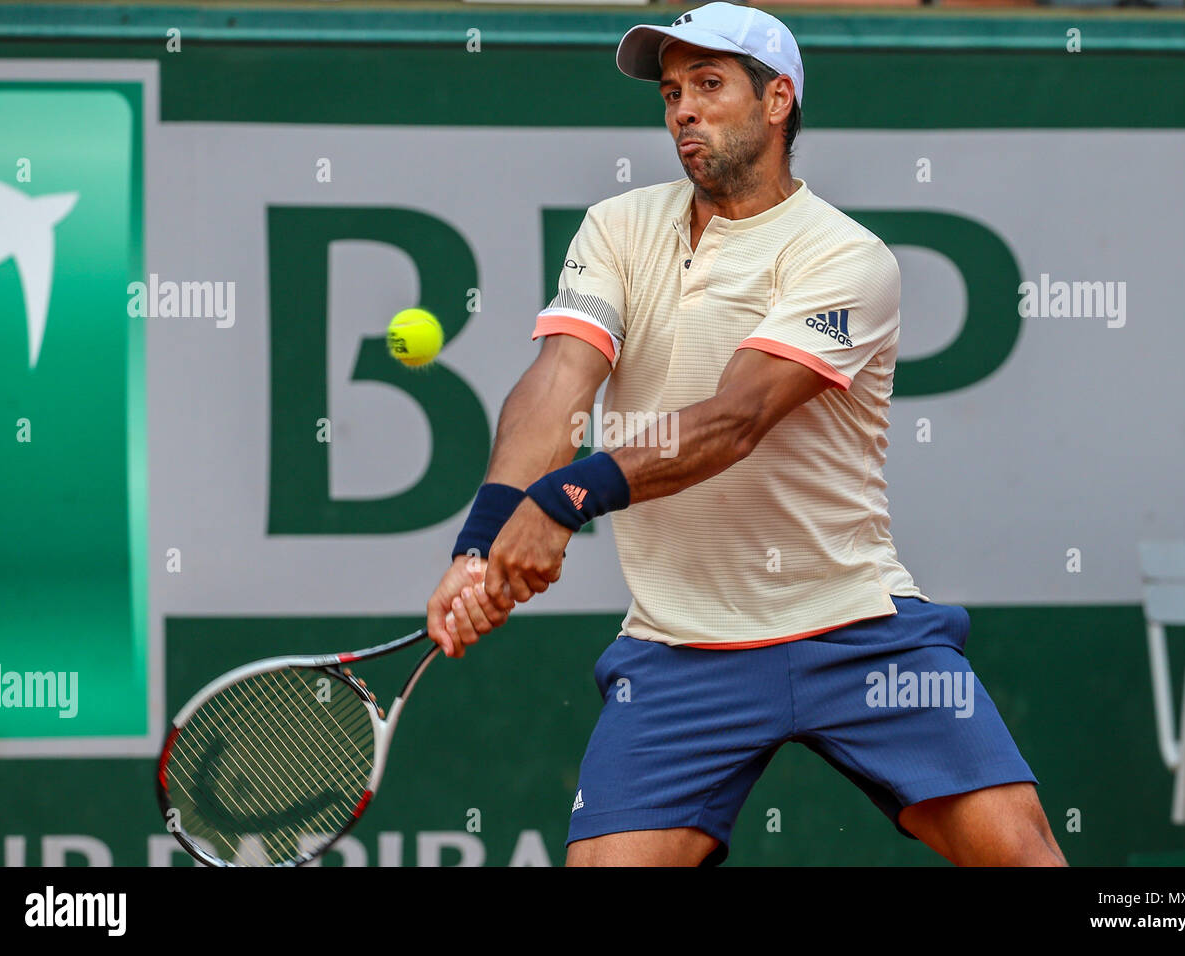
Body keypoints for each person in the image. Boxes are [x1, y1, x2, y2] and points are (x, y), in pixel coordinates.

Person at [426, 1, 1065, 867]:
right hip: (679, 649)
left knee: (1022, 855)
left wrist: (566, 497)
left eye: (710, 84)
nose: (683, 108)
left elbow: (734, 422)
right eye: (671, 91)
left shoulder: (847, 258)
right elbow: (559, 384)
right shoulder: (616, 229)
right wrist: (481, 541)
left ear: (777, 102)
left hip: (853, 624)